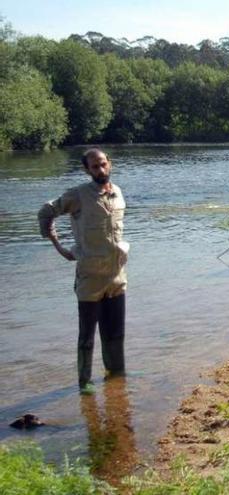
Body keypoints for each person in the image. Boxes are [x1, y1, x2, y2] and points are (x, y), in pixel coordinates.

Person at [38, 148, 129, 395]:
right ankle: (84, 381)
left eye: (102, 164)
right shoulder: (78, 195)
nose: (100, 170)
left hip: (117, 275)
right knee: (87, 336)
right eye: (94, 166)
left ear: (110, 163)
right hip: (89, 276)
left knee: (116, 332)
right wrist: (59, 246)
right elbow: (47, 212)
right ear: (87, 170)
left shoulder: (118, 192)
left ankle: (116, 373)